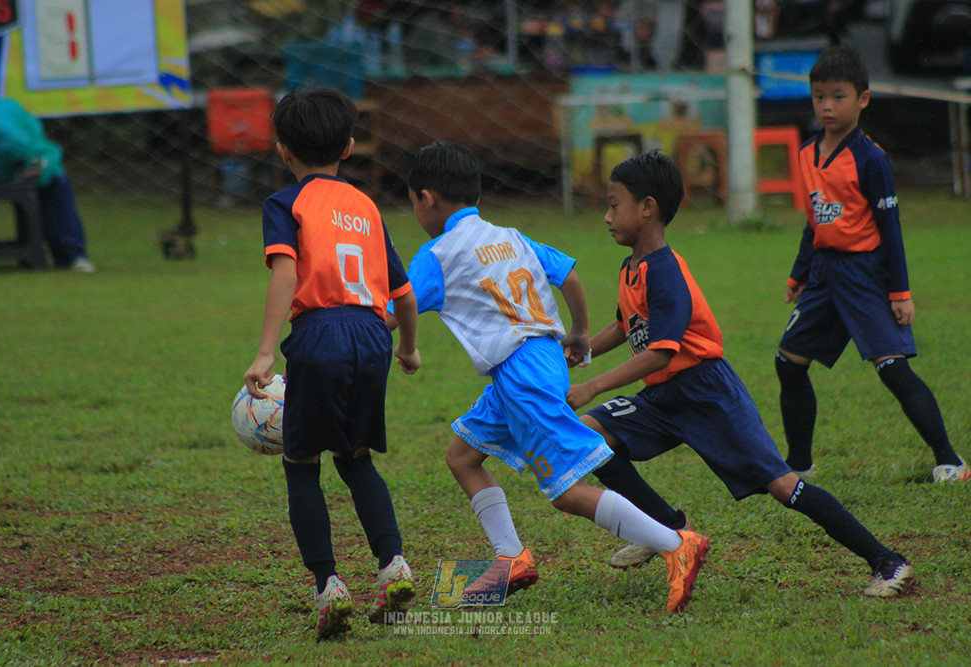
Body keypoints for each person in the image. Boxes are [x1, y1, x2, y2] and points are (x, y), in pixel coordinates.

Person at [566, 150, 915, 598]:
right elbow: (625, 324)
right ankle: (669, 529)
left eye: (615, 205)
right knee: (590, 436)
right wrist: (582, 349)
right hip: (663, 398)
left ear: (648, 208)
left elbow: (661, 353)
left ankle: (888, 561)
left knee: (784, 487)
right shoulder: (632, 266)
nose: (607, 216)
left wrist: (592, 385)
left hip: (706, 393)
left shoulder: (665, 271)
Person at [399, 140, 709, 614]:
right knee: (462, 456)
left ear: (427, 198)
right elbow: (569, 275)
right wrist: (579, 332)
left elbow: (395, 306)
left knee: (566, 492)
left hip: (521, 375)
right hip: (537, 361)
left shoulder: (435, 254)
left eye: (412, 203)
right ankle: (511, 557)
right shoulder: (511, 235)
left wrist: (406, 347)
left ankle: (677, 543)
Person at [242, 88, 422, 641]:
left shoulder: (285, 203)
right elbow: (404, 292)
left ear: (282, 150)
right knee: (357, 459)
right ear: (348, 146)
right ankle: (393, 565)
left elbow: (285, 274)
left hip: (319, 334)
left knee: (301, 465)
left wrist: (266, 352)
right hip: (371, 335)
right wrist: (408, 346)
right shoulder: (366, 206)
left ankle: (329, 586)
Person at [773, 44, 967, 483]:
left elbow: (890, 228)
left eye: (838, 96)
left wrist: (900, 292)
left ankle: (950, 460)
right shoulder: (806, 154)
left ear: (862, 99)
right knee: (788, 363)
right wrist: (798, 274)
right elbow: (814, 221)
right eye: (819, 96)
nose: (827, 105)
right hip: (823, 274)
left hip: (865, 275)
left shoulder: (871, 158)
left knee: (893, 369)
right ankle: (798, 464)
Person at [0, 98, 95, 272]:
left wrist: (37, 168)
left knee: (54, 181)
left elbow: (47, 154)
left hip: (19, 164)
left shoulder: (12, 138)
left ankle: (72, 255)